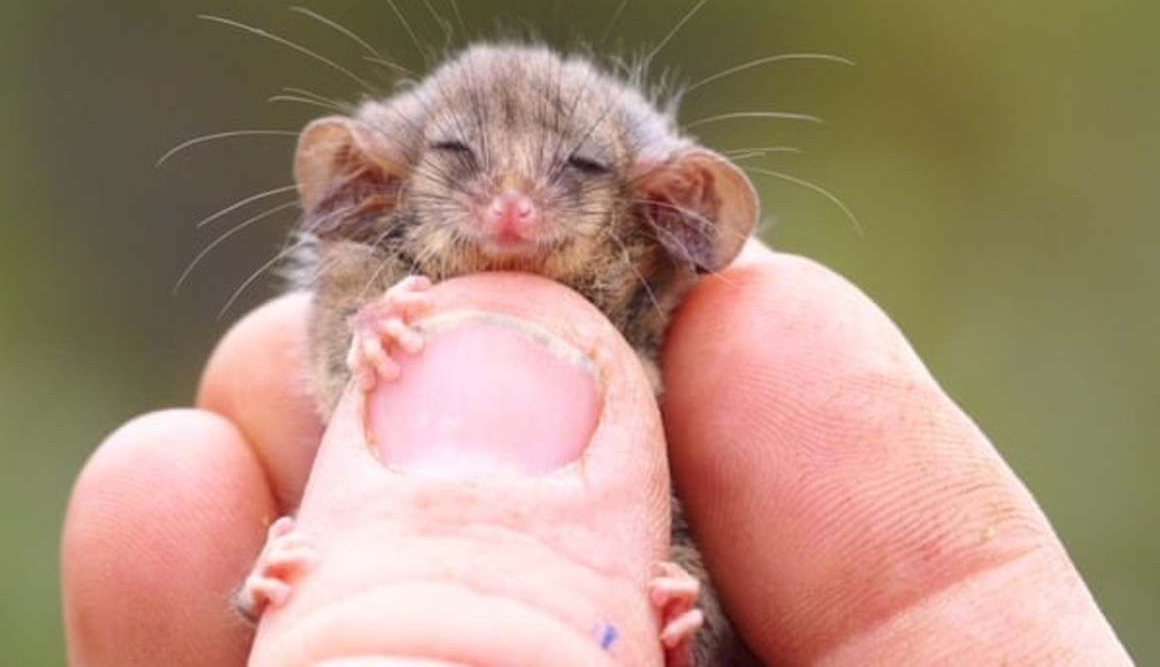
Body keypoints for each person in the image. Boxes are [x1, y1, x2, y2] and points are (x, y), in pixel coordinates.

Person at [61, 243, 1132, 665]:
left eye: (570, 171)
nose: (516, 212)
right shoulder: (366, 306)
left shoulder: (676, 362)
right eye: (464, 163)